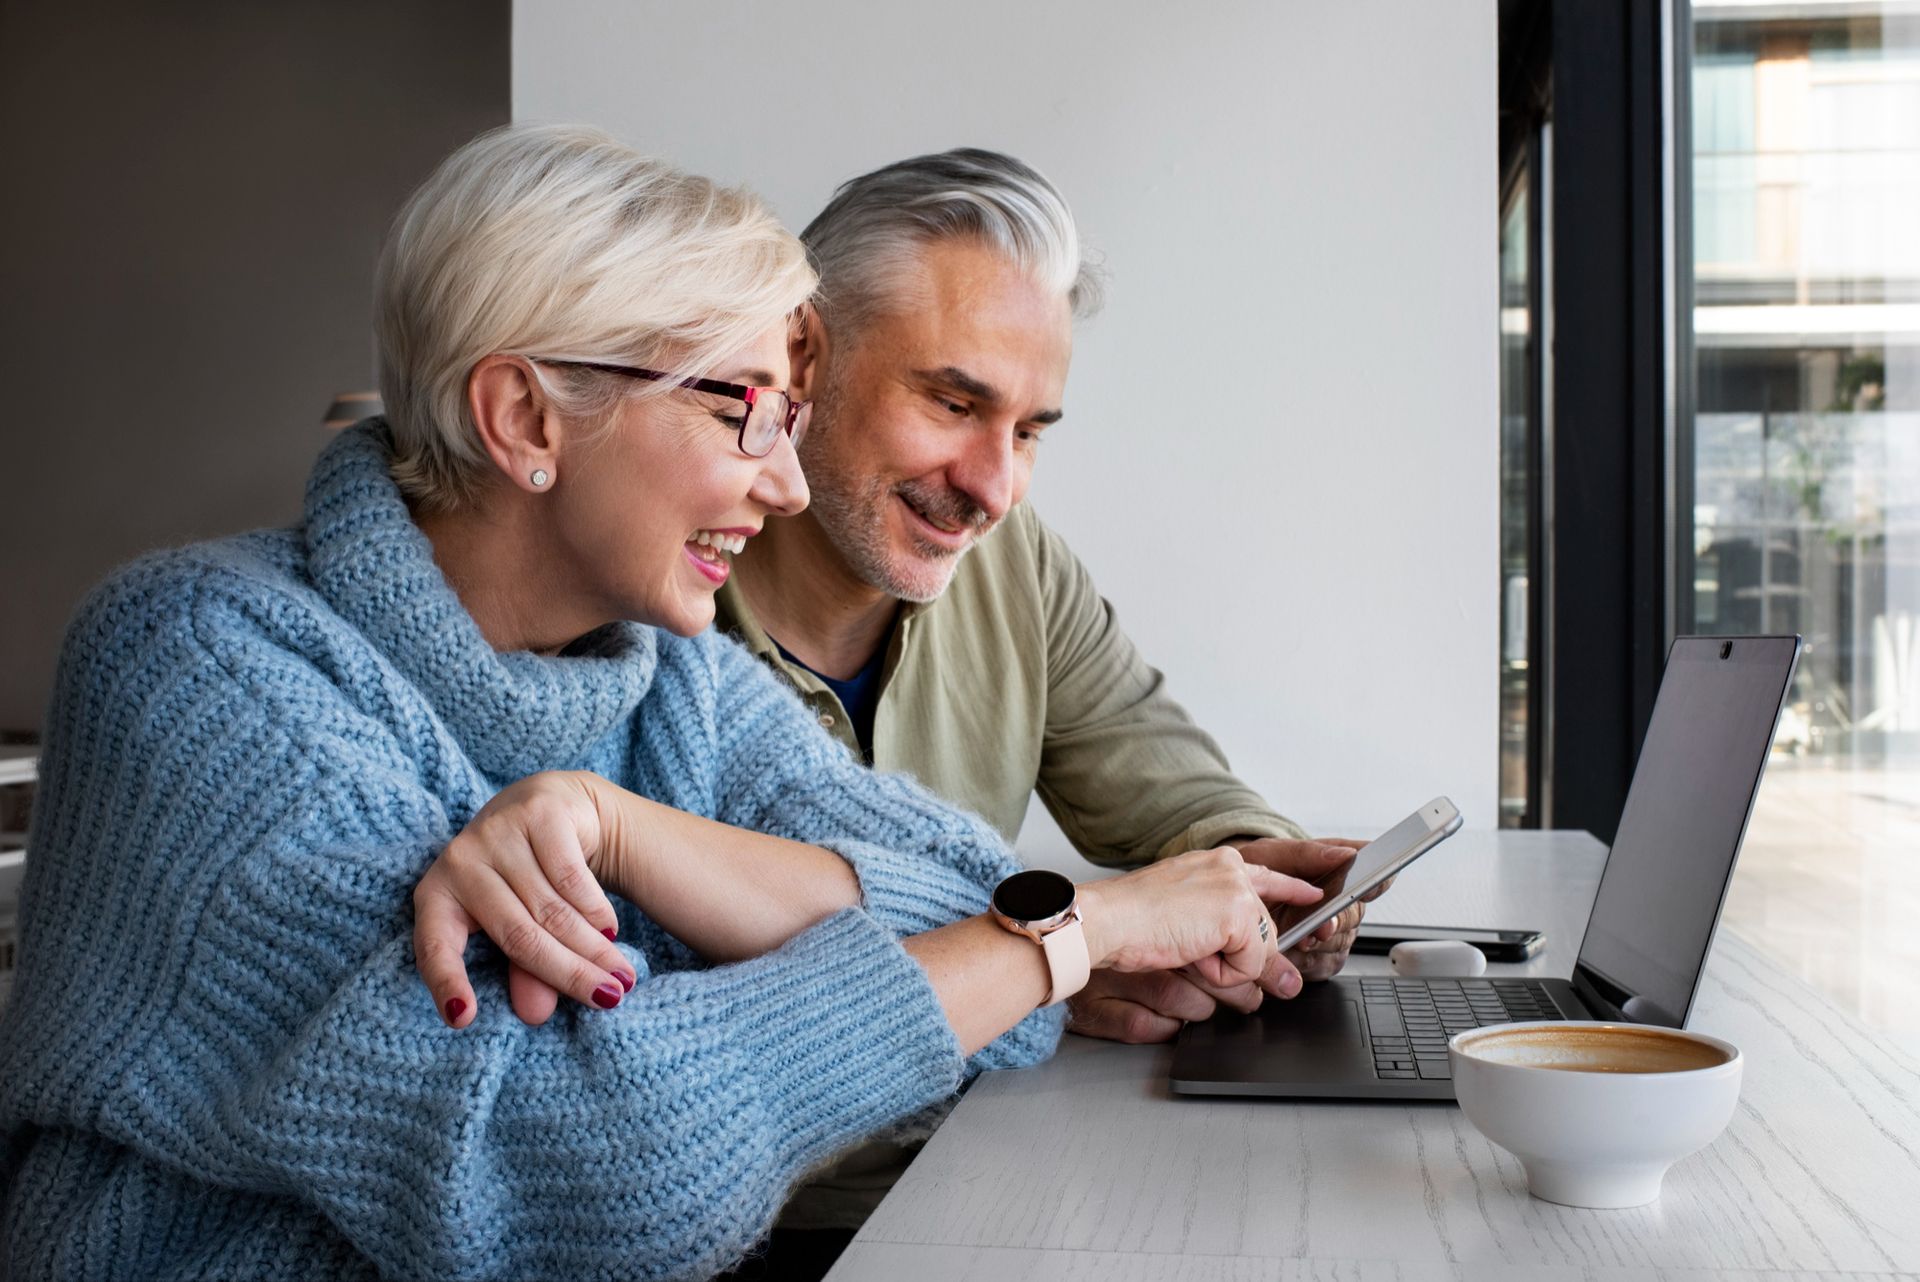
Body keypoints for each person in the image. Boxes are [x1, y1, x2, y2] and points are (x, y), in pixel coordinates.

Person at [0, 124, 1327, 1281]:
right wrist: (1067, 937)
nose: (788, 481)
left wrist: (618, 824)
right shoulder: (198, 664)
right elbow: (589, 1166)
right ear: (527, 417)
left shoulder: (661, 669)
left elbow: (958, 874)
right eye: (741, 409)